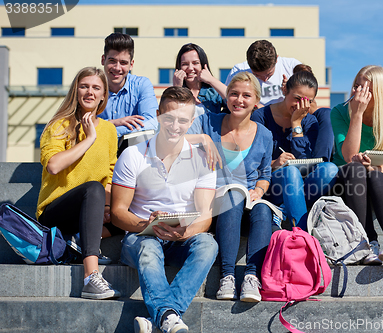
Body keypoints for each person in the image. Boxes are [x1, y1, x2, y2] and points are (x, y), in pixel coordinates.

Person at [111, 86, 217, 333]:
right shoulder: (132, 155)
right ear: (158, 115)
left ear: (192, 121)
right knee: (148, 246)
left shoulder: (202, 160)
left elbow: (205, 217)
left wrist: (184, 232)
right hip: (140, 237)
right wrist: (146, 225)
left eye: (182, 120)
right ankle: (169, 316)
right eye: (168, 118)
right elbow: (117, 212)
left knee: (208, 244)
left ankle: (163, 317)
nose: (175, 126)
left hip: (180, 238)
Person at [36, 67, 121, 300]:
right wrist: (89, 138)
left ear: (104, 95)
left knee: (129, 206)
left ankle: (79, 240)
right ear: (76, 90)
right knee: (93, 189)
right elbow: (53, 165)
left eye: (96, 88)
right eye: (84, 86)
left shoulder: (110, 131)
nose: (90, 92)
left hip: (91, 208)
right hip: (55, 214)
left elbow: (111, 176)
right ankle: (90, 277)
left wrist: (107, 208)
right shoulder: (59, 125)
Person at [188, 72, 273, 302]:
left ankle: (251, 277)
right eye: (234, 94)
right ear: (227, 97)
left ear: (256, 101)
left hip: (246, 203)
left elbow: (265, 174)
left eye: (246, 95)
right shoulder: (208, 121)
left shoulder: (265, 134)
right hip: (213, 201)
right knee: (233, 194)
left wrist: (259, 190)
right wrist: (203, 139)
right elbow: (173, 140)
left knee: (264, 209)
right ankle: (227, 276)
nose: (239, 100)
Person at [330, 65, 383, 266]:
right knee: (354, 168)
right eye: (356, 86)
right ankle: (367, 241)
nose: (357, 93)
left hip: (378, 184)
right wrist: (357, 114)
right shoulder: (339, 112)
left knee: (373, 174)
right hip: (345, 184)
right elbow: (347, 156)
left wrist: (371, 167)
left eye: (364, 89)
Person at [251, 71, 338, 230]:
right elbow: (251, 160)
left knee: (330, 169)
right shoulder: (260, 117)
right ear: (284, 91)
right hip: (272, 182)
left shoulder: (310, 121)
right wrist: (274, 163)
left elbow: (306, 159)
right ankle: (302, 233)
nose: (300, 106)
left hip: (302, 184)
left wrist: (296, 122)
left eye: (306, 101)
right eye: (297, 98)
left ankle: (286, 208)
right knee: (290, 172)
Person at [98, 33, 158, 141]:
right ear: (103, 60)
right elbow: (80, 125)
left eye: (123, 63)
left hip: (133, 152)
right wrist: (113, 123)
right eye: (112, 61)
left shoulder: (142, 85)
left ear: (131, 64)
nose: (117, 68)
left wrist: (106, 129)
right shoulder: (92, 88)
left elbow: (151, 123)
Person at [225, 40, 301, 107]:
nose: (265, 79)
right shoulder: (238, 71)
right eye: (257, 75)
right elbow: (227, 99)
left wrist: (293, 89)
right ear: (248, 64)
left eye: (269, 74)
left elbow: (310, 95)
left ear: (277, 59)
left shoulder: (291, 66)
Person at [282, 64, 334, 161]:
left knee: (326, 113)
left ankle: (321, 162)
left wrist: (299, 119)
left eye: (308, 101)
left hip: (307, 133)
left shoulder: (312, 117)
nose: (301, 105)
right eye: (297, 98)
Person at [173, 43, 227, 117]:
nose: (190, 68)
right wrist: (177, 89)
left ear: (203, 65)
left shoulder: (213, 92)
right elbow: (168, 116)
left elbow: (234, 102)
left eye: (195, 63)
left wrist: (211, 80)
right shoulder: (172, 92)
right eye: (185, 64)